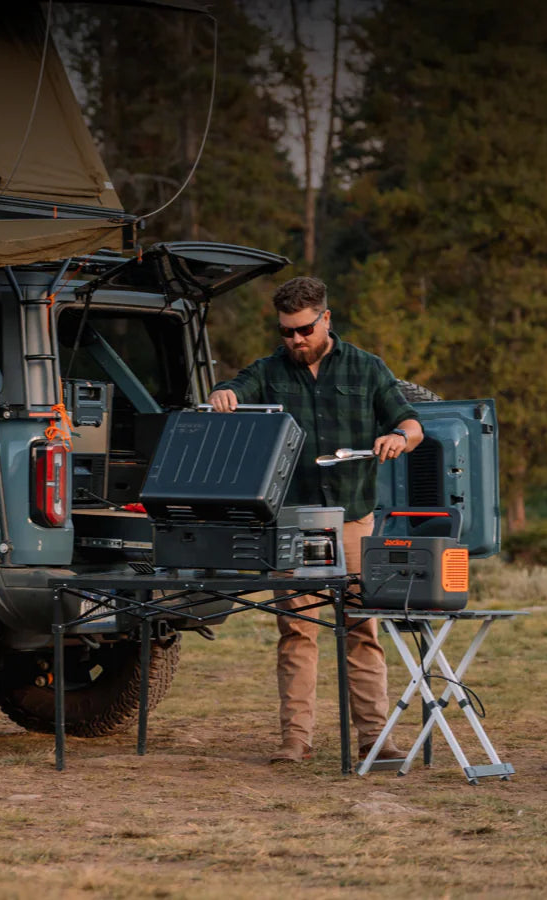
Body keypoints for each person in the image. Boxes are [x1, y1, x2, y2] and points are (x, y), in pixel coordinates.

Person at [207, 275, 424, 764]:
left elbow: (411, 423)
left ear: (326, 318)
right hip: (292, 520)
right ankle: (294, 740)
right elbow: (232, 388)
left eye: (304, 330)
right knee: (296, 629)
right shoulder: (269, 370)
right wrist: (224, 394)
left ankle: (375, 738)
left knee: (361, 627)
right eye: (286, 332)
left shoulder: (368, 368)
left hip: (352, 520)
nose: (295, 340)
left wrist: (399, 439)